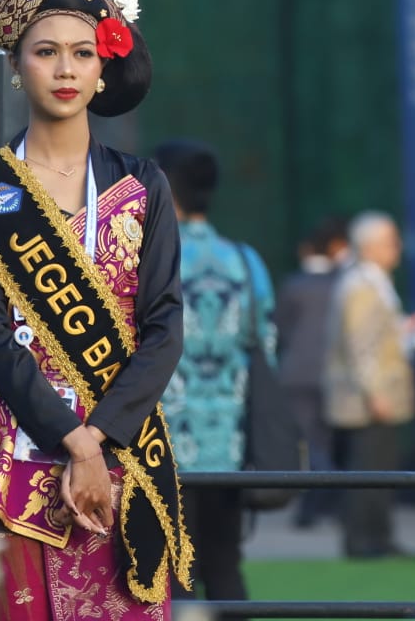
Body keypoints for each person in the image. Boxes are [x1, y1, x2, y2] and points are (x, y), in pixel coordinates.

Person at [0, 0, 193, 619]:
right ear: (17, 65)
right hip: (19, 446)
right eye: (45, 52)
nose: (64, 69)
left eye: (82, 53)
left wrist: (101, 439)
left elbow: (164, 325)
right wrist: (72, 442)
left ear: (103, 65)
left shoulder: (143, 185)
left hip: (125, 451)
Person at [155, 138, 272, 611]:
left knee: (170, 574)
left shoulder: (152, 258)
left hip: (163, 445)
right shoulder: (246, 261)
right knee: (225, 566)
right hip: (231, 446)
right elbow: (266, 350)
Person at [323, 210, 415, 558]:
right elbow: (359, 346)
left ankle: (378, 537)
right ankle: (364, 541)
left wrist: (403, 331)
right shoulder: (362, 286)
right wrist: (375, 392)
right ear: (370, 247)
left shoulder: (372, 282)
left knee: (378, 469)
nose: (397, 248)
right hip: (366, 401)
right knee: (367, 471)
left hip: (372, 397)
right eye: (390, 241)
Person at [275, 215, 348, 529]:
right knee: (325, 441)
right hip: (333, 376)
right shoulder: (342, 285)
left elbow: (280, 329)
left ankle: (315, 501)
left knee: (309, 443)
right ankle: (324, 501)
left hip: (297, 375)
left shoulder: (294, 286)